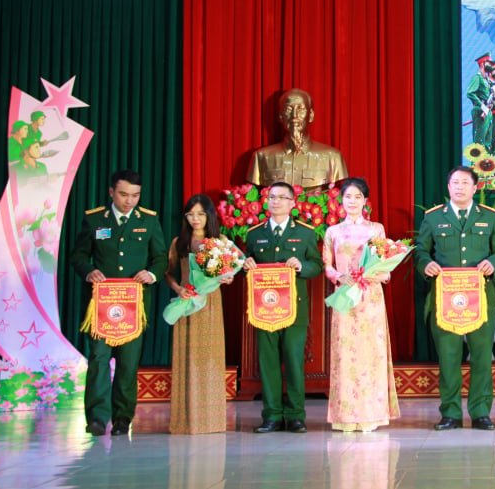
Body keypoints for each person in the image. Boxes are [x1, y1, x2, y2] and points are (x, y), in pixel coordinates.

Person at [68, 169, 167, 436]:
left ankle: (123, 417)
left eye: (135, 195)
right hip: (101, 305)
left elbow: (160, 257)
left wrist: (152, 273)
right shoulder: (94, 220)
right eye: (123, 194)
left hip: (134, 306)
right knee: (99, 359)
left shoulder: (148, 221)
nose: (129, 201)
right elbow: (78, 255)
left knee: (128, 362)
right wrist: (88, 270)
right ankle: (97, 418)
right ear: (111, 192)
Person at [416, 166, 495, 431]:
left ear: (475, 187)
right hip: (445, 299)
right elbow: (420, 250)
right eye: (454, 182)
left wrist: (493, 263)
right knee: (448, 356)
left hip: (480, 298)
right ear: (448, 187)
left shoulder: (489, 217)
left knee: (481, 356)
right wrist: (426, 265)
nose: (459, 187)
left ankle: (481, 412)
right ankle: (450, 413)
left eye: (465, 182)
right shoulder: (434, 218)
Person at [241, 181, 322, 433]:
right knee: (268, 362)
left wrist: (301, 266)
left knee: (294, 360)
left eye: (281, 198)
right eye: (271, 197)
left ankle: (296, 415)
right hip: (264, 308)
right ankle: (272, 415)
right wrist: (246, 265)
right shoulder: (254, 234)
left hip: (295, 308)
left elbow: (316, 266)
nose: (275, 202)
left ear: (292, 203)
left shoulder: (306, 233)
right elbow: (247, 264)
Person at [322, 177, 400, 432]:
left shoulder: (376, 229)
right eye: (348, 197)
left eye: (358, 197)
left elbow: (383, 259)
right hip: (345, 296)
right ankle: (345, 416)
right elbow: (328, 266)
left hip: (370, 297)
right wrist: (338, 276)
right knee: (345, 355)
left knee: (370, 354)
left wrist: (379, 274)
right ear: (341, 201)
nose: (352, 202)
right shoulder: (332, 231)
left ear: (365, 201)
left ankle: (371, 415)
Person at [165, 194, 234, 434]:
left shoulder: (220, 241)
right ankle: (185, 421)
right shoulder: (179, 243)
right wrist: (178, 289)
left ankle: (212, 421)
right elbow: (169, 273)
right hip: (187, 303)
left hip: (211, 304)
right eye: (191, 214)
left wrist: (227, 277)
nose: (195, 219)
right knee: (188, 359)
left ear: (209, 216)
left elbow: (228, 271)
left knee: (211, 360)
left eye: (200, 214)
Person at [247, 88, 347, 190]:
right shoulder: (261, 157)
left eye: (301, 109)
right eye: (289, 109)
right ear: (281, 116)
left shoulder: (333, 157)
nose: (294, 116)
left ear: (311, 115)